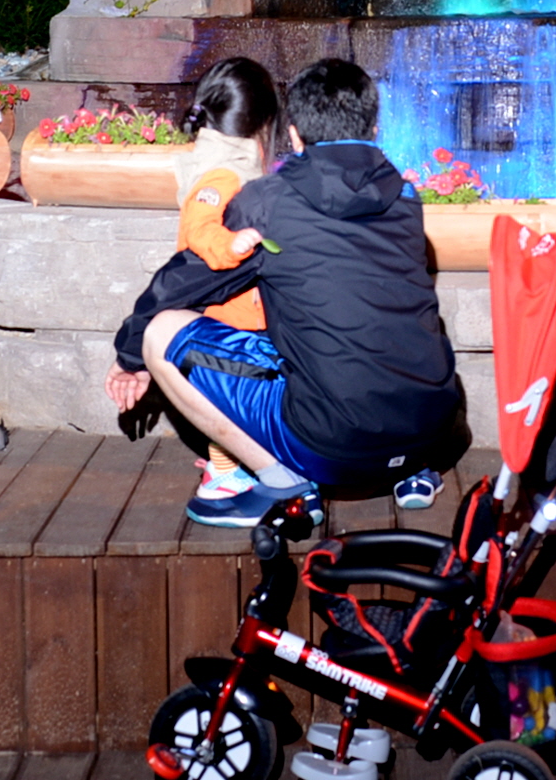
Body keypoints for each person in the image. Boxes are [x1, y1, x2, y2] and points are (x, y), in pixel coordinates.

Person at [108, 58, 463, 527]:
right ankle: (408, 471)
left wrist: (129, 356)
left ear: (293, 136)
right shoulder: (406, 199)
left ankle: (282, 482)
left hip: (331, 448)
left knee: (160, 333)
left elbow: (180, 284)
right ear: (374, 129)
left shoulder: (267, 203)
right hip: (428, 435)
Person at [169, 56, 284, 505]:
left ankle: (232, 466)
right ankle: (223, 474)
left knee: (238, 397)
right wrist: (231, 245)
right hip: (231, 319)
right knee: (232, 397)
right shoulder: (223, 173)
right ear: (264, 125)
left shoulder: (231, 164)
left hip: (238, 314)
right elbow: (200, 227)